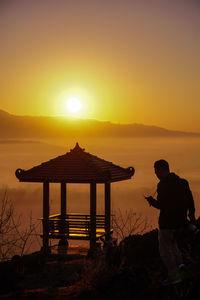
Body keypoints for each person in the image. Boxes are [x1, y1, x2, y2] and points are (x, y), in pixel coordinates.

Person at [145, 159, 196, 286]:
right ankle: (181, 270)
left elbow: (163, 205)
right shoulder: (183, 183)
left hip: (167, 223)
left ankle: (175, 277)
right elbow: (191, 201)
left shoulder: (162, 185)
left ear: (162, 170)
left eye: (156, 171)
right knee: (174, 247)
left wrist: (152, 201)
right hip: (181, 222)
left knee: (165, 251)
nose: (156, 174)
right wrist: (191, 218)